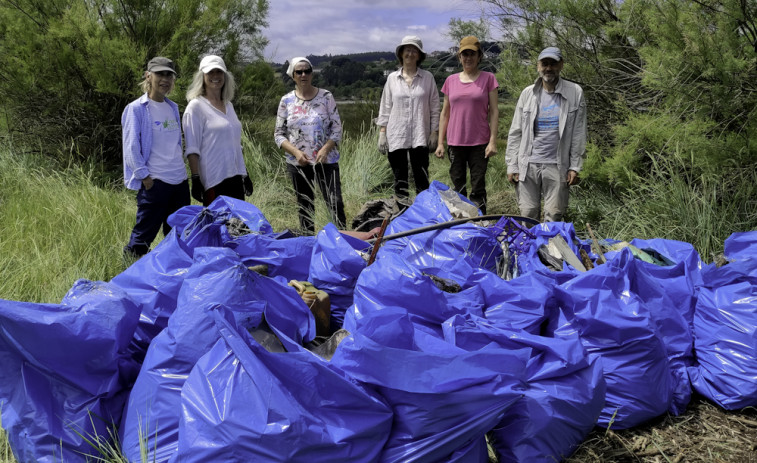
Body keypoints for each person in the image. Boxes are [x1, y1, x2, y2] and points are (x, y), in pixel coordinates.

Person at [505, 46, 587, 222]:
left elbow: (579, 133)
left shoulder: (575, 92)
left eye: (553, 64)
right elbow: (516, 131)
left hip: (557, 165)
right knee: (527, 214)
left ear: (561, 65)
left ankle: (550, 249)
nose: (548, 68)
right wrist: (512, 165)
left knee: (554, 214)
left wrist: (575, 166)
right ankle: (531, 249)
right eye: (544, 64)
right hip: (528, 164)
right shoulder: (528, 94)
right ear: (538, 66)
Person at [122, 56, 190, 258]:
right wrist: (145, 177)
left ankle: (170, 275)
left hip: (179, 182)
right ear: (148, 76)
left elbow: (176, 143)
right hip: (155, 182)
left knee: (178, 236)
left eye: (169, 75)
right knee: (143, 237)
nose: (165, 79)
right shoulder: (136, 109)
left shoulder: (173, 107)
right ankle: (130, 275)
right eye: (160, 74)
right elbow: (131, 146)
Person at [274, 56, 346, 235]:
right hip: (298, 163)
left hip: (326, 161)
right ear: (293, 76)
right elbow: (278, 134)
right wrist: (296, 153)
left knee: (335, 203)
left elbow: (337, 129)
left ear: (312, 73)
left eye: (307, 71)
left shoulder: (326, 96)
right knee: (305, 207)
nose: (304, 74)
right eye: (299, 72)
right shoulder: (286, 101)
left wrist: (325, 149)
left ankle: (344, 240)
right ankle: (308, 244)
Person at [435, 36, 499, 214]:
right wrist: (441, 142)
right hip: (455, 142)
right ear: (459, 57)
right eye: (465, 54)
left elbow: (494, 111)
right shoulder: (450, 81)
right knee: (458, 186)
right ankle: (461, 223)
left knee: (478, 186)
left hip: (480, 142)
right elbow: (445, 113)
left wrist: (493, 141)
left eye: (472, 54)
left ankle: (479, 222)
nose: (468, 58)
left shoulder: (488, 79)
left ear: (479, 56)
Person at [376, 35, 440, 199]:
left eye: (414, 50)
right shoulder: (392, 78)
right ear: (401, 53)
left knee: (422, 179)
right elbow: (385, 106)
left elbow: (434, 107)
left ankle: (423, 217)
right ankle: (402, 214)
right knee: (400, 179)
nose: (410, 53)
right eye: (407, 50)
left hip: (420, 135)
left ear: (419, 55)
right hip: (397, 134)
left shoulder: (428, 78)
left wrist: (434, 132)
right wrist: (382, 133)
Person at [183, 55, 253, 206]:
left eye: (219, 72)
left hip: (235, 177)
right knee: (217, 226)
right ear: (202, 76)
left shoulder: (229, 106)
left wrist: (244, 173)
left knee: (237, 227)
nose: (215, 76)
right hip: (214, 180)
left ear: (225, 76)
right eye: (210, 72)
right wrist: (195, 178)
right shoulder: (196, 107)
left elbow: (234, 143)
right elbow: (192, 147)